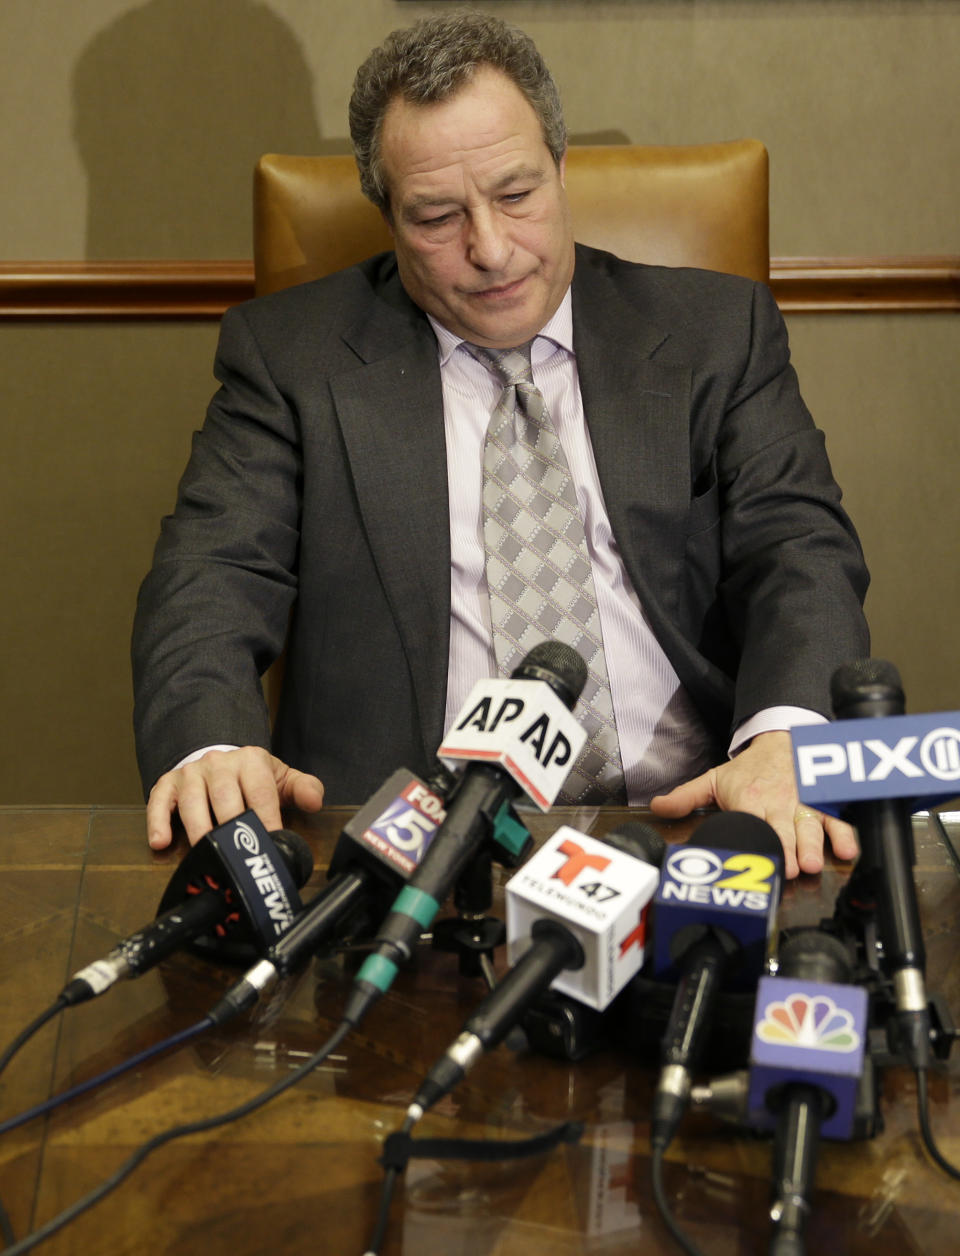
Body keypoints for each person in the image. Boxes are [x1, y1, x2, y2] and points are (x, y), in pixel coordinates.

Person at [132, 12, 869, 878]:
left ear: (560, 169)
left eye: (517, 194)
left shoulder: (714, 332)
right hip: (403, 851)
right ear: (387, 216)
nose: (489, 249)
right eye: (438, 216)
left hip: (685, 826)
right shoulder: (291, 360)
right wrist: (209, 747)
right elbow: (212, 573)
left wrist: (784, 736)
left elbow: (798, 548)